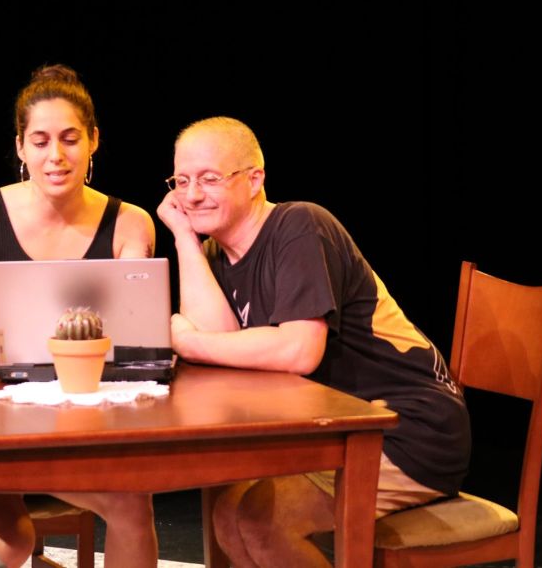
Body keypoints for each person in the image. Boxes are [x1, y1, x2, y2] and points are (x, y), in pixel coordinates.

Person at [156, 117, 470, 567]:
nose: (191, 196)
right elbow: (220, 346)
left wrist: (187, 344)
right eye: (181, 181)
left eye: (209, 179)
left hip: (405, 428)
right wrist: (184, 237)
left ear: (254, 180)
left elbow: (299, 350)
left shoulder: (299, 225)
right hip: (337, 433)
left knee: (263, 522)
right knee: (228, 516)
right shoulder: (214, 254)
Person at [0, 65, 158, 568]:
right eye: (40, 141)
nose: (56, 156)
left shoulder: (130, 223)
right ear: (21, 148)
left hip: (83, 429)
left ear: (94, 140)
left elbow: (137, 340)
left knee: (133, 504)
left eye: (70, 139)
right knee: (12, 543)